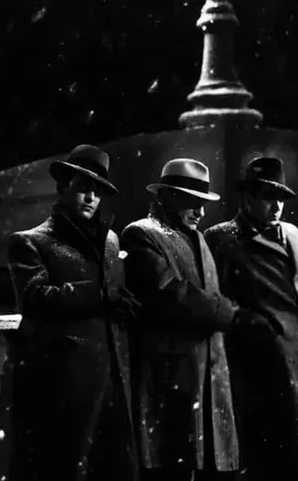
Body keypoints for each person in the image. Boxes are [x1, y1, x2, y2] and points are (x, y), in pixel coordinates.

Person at [121, 158, 275, 481]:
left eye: (202, 204)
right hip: (173, 382)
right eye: (192, 202)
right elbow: (174, 295)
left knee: (214, 467)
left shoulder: (199, 238)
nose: (201, 212)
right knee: (173, 468)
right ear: (166, 197)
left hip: (208, 381)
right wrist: (233, 314)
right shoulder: (140, 234)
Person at [5, 144, 141, 481]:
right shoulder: (30, 241)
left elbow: (114, 301)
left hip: (113, 382)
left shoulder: (110, 240)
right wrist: (99, 294)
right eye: (83, 187)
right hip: (63, 387)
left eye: (98, 191)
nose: (91, 197)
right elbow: (35, 298)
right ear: (63, 186)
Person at [205, 157, 298, 481]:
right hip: (270, 370)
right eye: (268, 196)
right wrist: (257, 328)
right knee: (283, 462)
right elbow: (215, 300)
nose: (277, 206)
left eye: (281, 198)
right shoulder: (223, 238)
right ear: (247, 197)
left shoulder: (293, 234)